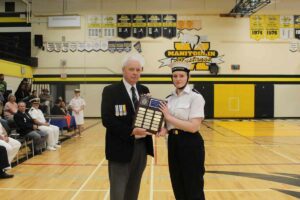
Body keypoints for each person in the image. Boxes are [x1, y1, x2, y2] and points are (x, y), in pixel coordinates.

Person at [101, 54, 154, 200]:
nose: (135, 72)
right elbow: (107, 120)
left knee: (133, 189)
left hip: (141, 148)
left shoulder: (144, 89)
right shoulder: (110, 91)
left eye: (138, 69)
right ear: (123, 70)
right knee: (118, 192)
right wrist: (131, 132)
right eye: (131, 69)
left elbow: (147, 116)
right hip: (119, 148)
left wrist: (155, 125)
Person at [158, 61, 206, 200]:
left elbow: (193, 127)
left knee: (193, 187)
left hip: (191, 144)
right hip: (173, 143)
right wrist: (164, 130)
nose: (178, 79)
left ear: (188, 77)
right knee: (178, 185)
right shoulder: (169, 99)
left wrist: (168, 116)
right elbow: (170, 125)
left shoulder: (195, 97)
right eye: (175, 76)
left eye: (181, 75)